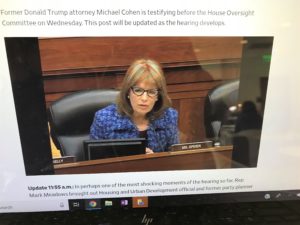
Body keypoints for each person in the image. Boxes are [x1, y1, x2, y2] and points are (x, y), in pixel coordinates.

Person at [90, 58, 179, 153]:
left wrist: (155, 160)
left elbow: (174, 159)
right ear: (128, 92)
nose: (144, 98)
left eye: (151, 91)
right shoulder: (104, 119)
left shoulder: (169, 117)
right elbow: (96, 163)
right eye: (138, 90)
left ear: (158, 96)